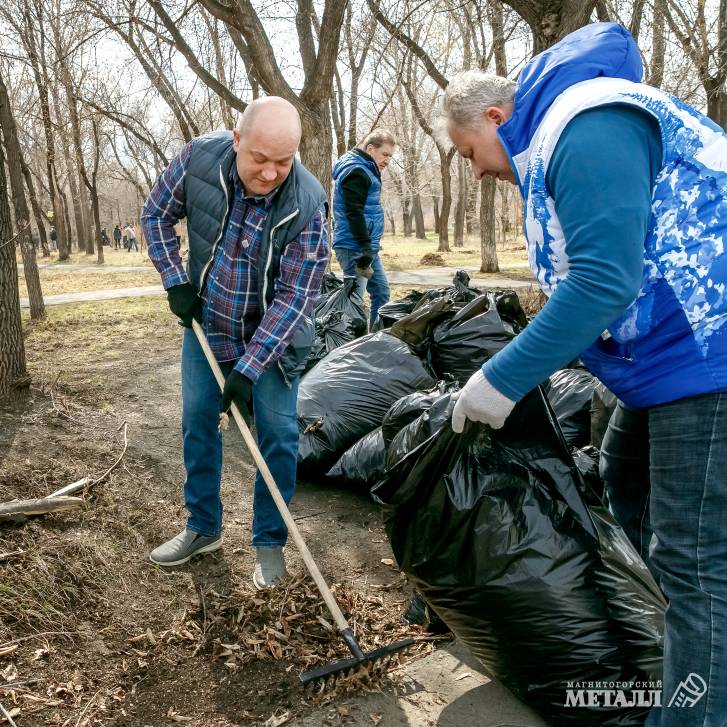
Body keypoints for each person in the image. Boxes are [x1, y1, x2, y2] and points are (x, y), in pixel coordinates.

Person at [442, 22, 727, 727]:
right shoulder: (555, 140)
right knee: (623, 484)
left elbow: (602, 280)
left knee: (696, 559)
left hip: (707, 354)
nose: (474, 170)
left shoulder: (587, 123)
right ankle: (689, 656)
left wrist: (499, 379)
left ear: (496, 118)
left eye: (468, 150)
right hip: (665, 361)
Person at [141, 97, 329, 589]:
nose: (269, 173)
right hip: (208, 324)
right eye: (259, 159)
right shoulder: (199, 159)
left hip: (274, 342)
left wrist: (249, 368)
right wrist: (175, 281)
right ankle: (203, 527)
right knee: (198, 422)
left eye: (283, 162)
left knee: (279, 438)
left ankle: (269, 543)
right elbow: (156, 214)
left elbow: (295, 299)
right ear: (237, 139)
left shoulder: (308, 204)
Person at [331, 129, 395, 328]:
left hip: (366, 247)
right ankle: (344, 346)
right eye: (385, 154)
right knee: (354, 305)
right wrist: (365, 247)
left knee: (381, 292)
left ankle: (372, 341)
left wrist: (369, 248)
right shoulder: (357, 171)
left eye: (390, 156)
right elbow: (354, 213)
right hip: (354, 247)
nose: (387, 160)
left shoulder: (365, 169)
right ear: (370, 149)